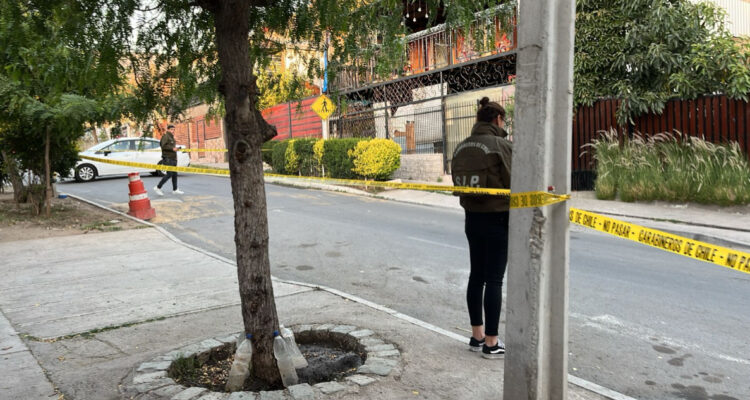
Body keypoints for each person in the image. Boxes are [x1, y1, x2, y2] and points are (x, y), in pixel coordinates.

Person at [451, 97, 512, 359]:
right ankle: (491, 342)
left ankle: (476, 337)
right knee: (494, 279)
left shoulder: (461, 147)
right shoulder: (501, 145)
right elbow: (516, 180)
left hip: (471, 218)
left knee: (476, 276)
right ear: (497, 120)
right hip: (498, 218)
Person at [153, 124, 184, 195]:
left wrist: (176, 149)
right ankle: (158, 187)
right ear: (168, 130)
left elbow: (171, 146)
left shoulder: (171, 137)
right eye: (171, 129)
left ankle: (175, 189)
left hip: (173, 158)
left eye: (174, 130)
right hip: (168, 158)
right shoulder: (166, 136)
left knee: (174, 174)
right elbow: (163, 146)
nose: (173, 131)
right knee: (169, 174)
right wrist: (172, 148)